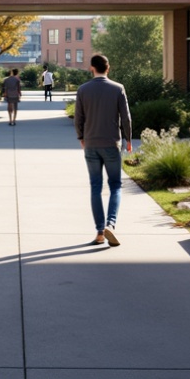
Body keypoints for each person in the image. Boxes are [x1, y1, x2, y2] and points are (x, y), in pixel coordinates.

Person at [73, 53, 132, 246]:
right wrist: (129, 139)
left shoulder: (83, 90)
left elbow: (78, 118)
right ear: (108, 68)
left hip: (90, 143)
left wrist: (81, 138)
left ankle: (99, 232)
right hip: (111, 143)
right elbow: (126, 118)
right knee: (115, 185)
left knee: (95, 187)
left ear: (92, 68)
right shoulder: (118, 88)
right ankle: (111, 225)